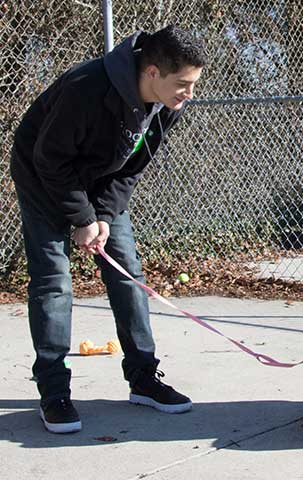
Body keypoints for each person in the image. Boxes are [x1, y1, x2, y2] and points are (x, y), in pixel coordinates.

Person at [10, 25, 206, 434]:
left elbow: (133, 167)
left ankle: (144, 379)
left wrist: (102, 214)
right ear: (152, 72)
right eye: (183, 84)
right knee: (54, 283)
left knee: (129, 274)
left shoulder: (167, 105)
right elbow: (50, 159)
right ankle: (53, 392)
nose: (189, 94)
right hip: (44, 177)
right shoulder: (86, 88)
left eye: (193, 84)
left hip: (99, 183)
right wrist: (81, 219)